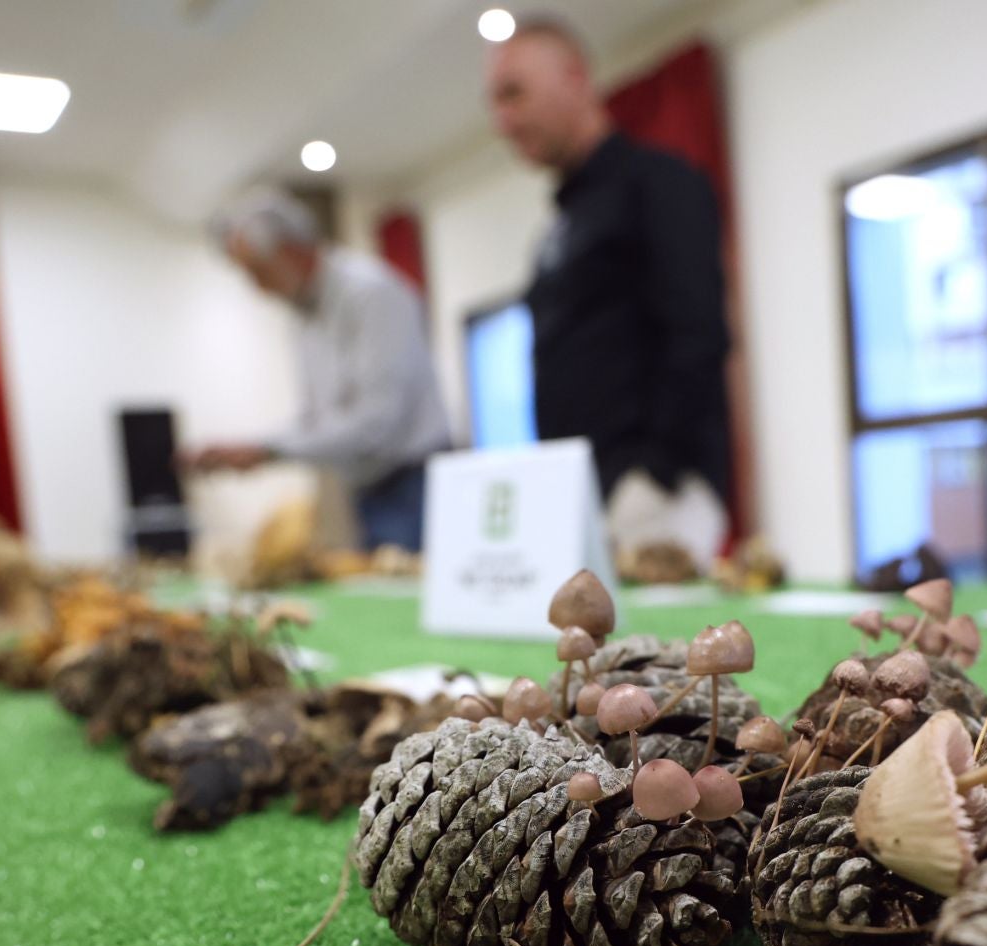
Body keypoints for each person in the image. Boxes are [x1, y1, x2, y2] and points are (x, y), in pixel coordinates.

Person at [486, 18, 733, 567]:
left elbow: (697, 333)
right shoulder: (558, 227)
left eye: (514, 92)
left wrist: (653, 474)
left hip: (655, 496)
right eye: (494, 103)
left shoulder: (661, 184)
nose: (502, 120)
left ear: (573, 77)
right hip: (581, 493)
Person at [183, 188, 452, 552]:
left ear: (293, 250)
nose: (257, 288)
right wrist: (252, 448)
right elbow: (316, 419)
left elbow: (377, 422)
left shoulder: (372, 292)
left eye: (258, 272)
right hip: (367, 487)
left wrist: (267, 450)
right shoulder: (304, 317)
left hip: (416, 483)